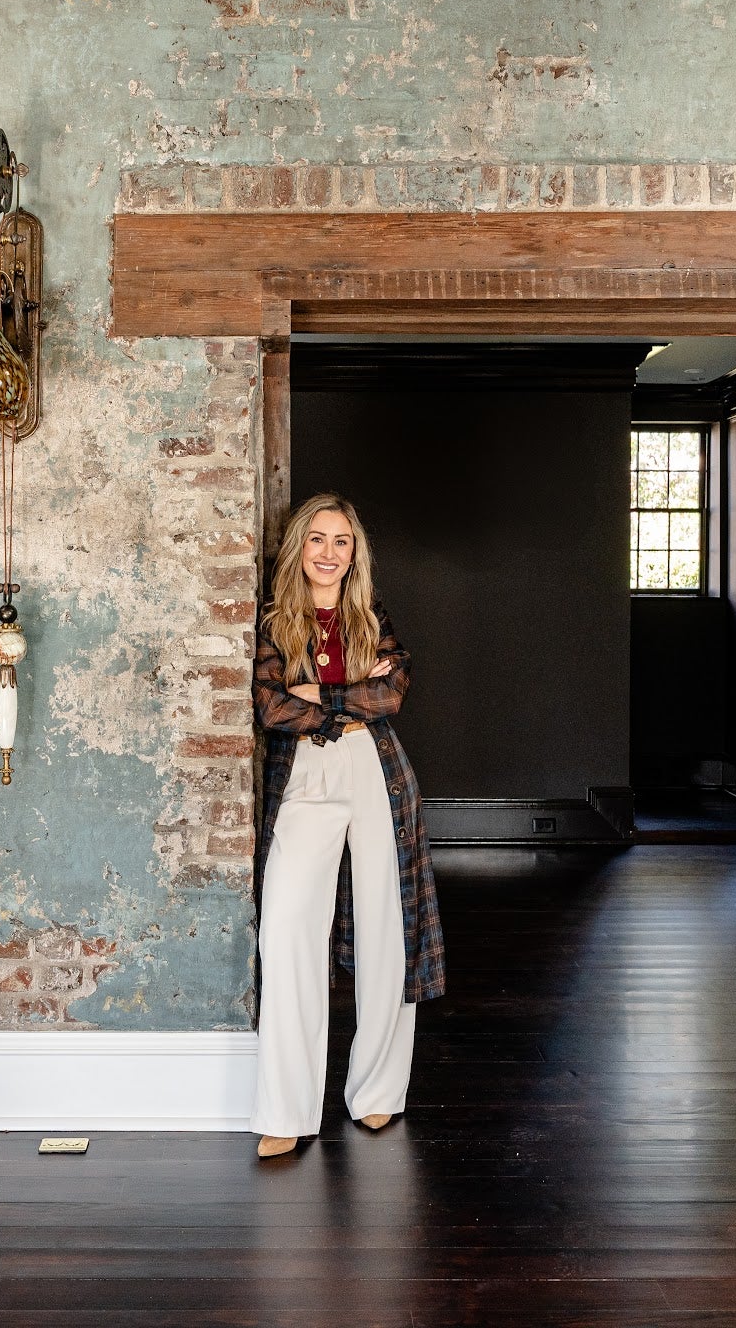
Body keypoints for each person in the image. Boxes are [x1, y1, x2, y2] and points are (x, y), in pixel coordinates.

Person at [249, 493, 445, 1158]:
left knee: (387, 932)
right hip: (303, 777)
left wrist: (313, 695)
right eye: (317, 539)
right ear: (297, 548)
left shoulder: (370, 614)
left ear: (354, 552)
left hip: (374, 771)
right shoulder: (274, 621)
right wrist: (345, 694)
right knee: (286, 933)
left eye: (341, 541)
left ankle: (377, 1095)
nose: (329, 553)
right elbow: (271, 710)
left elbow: (390, 695)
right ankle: (285, 1108)